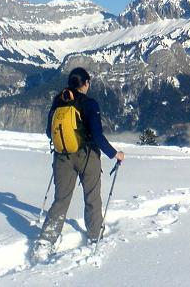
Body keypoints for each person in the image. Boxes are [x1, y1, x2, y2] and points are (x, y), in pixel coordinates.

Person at [31, 67, 125, 262]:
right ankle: (94, 234)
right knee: (92, 196)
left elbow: (50, 132)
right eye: (88, 82)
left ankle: (45, 241)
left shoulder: (59, 101)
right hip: (87, 155)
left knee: (61, 199)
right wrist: (114, 154)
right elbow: (97, 136)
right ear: (86, 83)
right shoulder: (90, 104)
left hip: (62, 156)